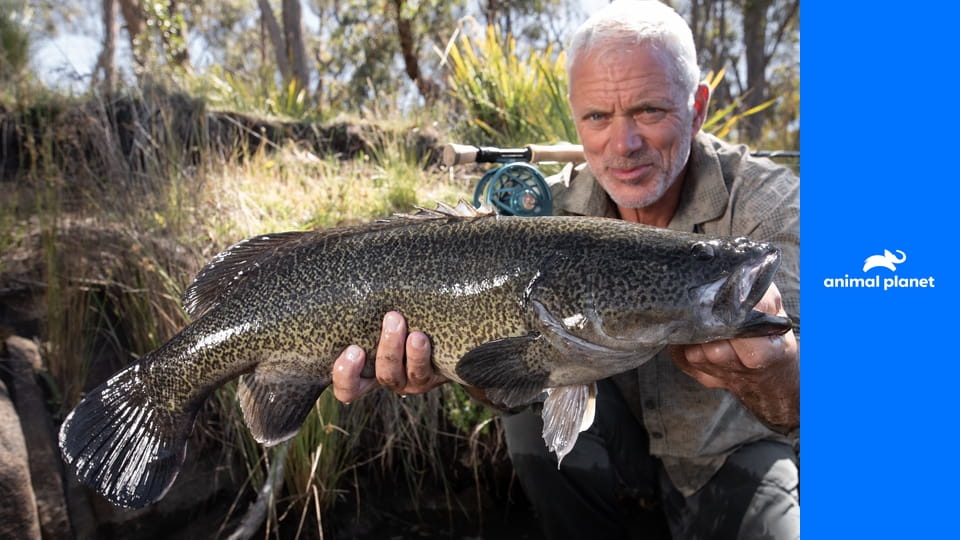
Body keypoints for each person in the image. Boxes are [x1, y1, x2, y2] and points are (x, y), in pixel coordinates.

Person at [331, 1, 800, 538]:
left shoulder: (770, 206)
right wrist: (456, 366)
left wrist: (778, 374)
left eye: (649, 110)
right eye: (597, 117)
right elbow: (499, 382)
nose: (622, 145)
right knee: (531, 412)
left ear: (696, 108)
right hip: (607, 456)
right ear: (576, 116)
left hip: (725, 456)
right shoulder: (539, 216)